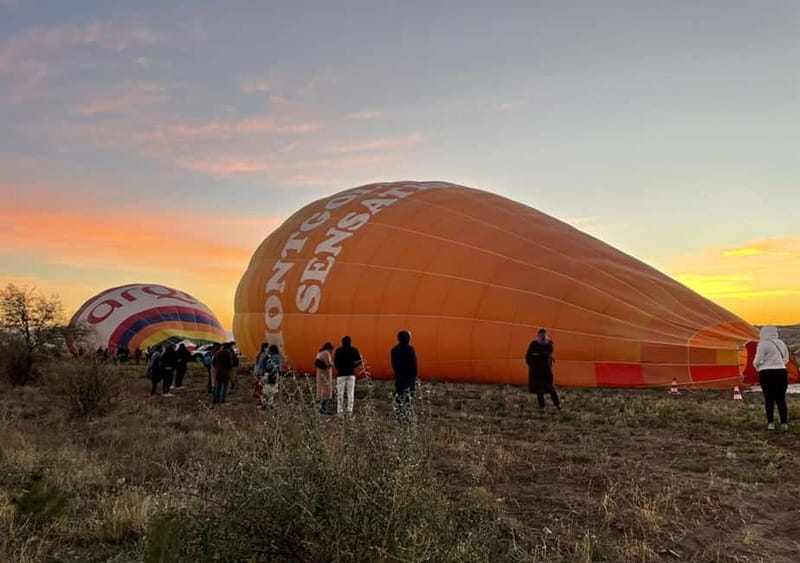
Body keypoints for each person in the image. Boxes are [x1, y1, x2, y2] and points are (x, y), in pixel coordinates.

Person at [753, 325, 791, 431]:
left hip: (766, 373)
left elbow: (758, 359)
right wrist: (779, 364)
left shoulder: (763, 344)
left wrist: (757, 366)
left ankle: (771, 423)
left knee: (769, 399)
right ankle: (784, 424)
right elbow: (786, 359)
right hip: (781, 372)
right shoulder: (781, 343)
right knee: (781, 399)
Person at [525, 328, 561, 411]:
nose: (542, 338)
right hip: (536, 372)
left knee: (551, 388)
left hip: (546, 372)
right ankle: (542, 406)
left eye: (544, 336)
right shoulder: (533, 344)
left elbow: (548, 352)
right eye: (541, 336)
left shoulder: (549, 345)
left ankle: (557, 404)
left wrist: (538, 354)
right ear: (538, 336)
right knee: (539, 390)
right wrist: (532, 365)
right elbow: (528, 357)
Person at [391, 330, 418, 424]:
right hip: (409, 378)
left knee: (399, 397)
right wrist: (414, 376)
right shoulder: (410, 349)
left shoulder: (394, 350)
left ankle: (399, 417)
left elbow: (393, 364)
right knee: (408, 398)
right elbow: (414, 364)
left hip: (399, 377)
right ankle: (407, 417)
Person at [333, 336, 362, 414]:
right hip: (351, 373)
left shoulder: (339, 350)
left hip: (341, 374)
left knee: (340, 393)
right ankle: (349, 410)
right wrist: (353, 366)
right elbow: (360, 361)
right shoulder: (354, 350)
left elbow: (335, 361)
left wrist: (339, 368)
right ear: (350, 342)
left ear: (342, 342)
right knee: (350, 393)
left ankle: (340, 411)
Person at [315, 342, 335, 414]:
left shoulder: (319, 353)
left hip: (320, 375)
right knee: (326, 392)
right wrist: (333, 363)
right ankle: (324, 409)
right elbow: (328, 363)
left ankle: (321, 409)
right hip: (326, 375)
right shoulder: (326, 353)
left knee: (321, 392)